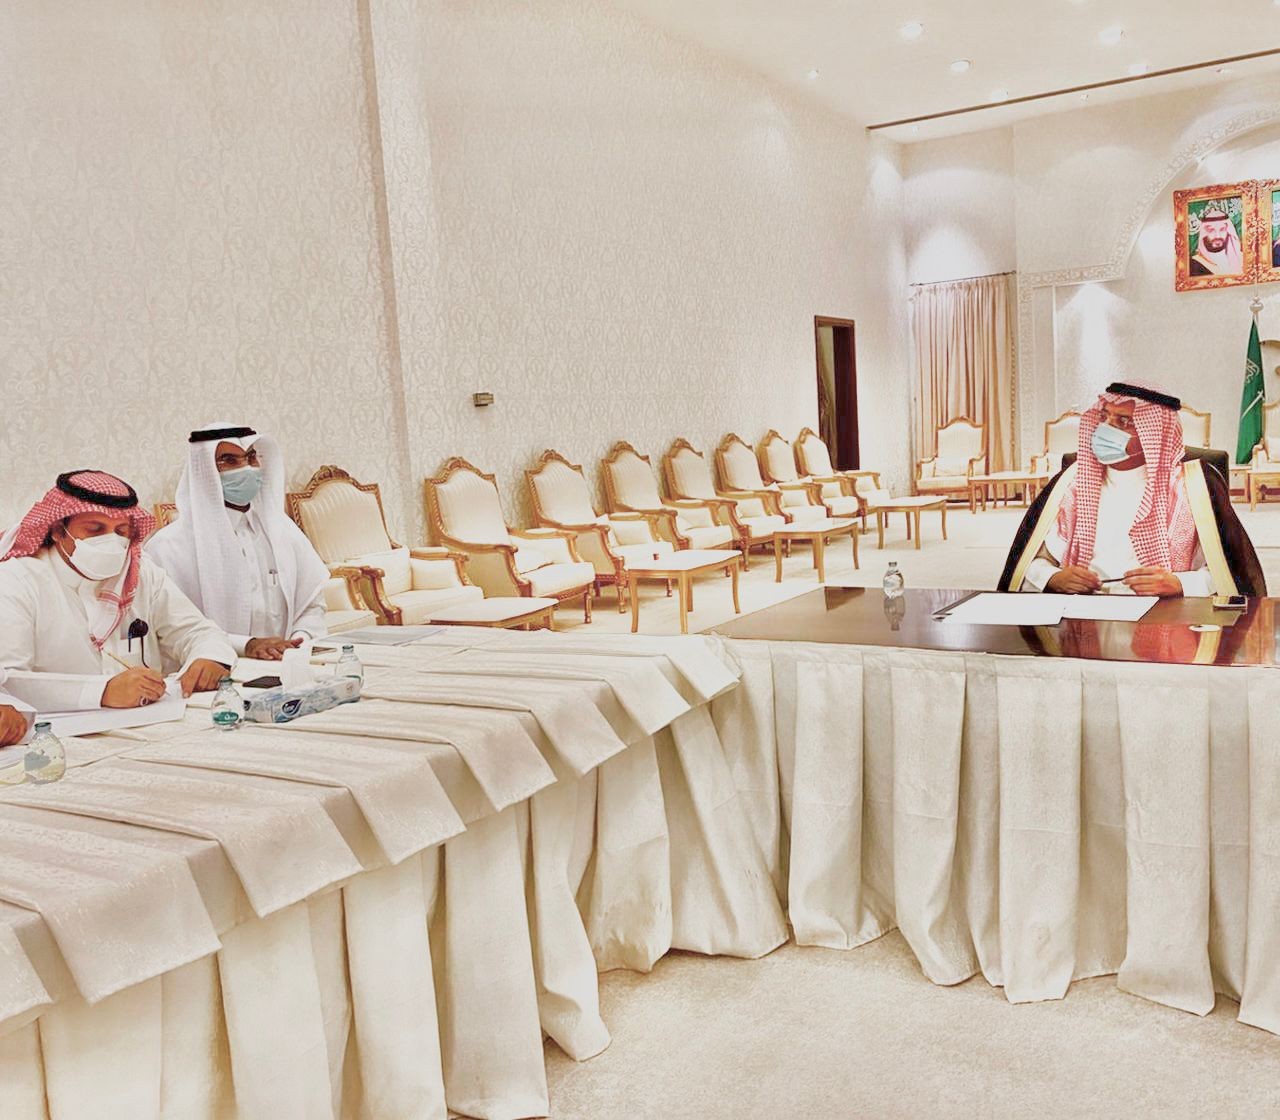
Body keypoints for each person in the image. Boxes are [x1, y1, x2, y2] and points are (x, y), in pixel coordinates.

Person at [0, 470, 236, 713]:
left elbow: (198, 631)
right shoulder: (17, 581)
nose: (111, 541)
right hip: (61, 728)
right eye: (95, 529)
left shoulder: (140, 571)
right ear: (59, 530)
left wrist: (209, 656)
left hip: (151, 720)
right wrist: (101, 692)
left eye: (121, 531)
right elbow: (8, 682)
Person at [999, 383, 1264, 597]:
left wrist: (1179, 584)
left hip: (1166, 616)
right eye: (1104, 417)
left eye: (1123, 422)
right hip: (1083, 613)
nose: (1106, 428)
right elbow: (1029, 563)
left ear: (1154, 433)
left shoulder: (1193, 487)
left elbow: (1227, 573)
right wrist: (1053, 577)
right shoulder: (1071, 482)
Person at [146, 423, 330, 660]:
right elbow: (173, 627)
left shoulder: (283, 531)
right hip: (215, 668)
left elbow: (312, 603)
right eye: (230, 461)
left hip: (288, 662)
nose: (246, 469)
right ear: (204, 470)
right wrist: (247, 645)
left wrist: (299, 640)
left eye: (251, 458)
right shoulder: (169, 547)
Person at [1189, 205, 1244, 276]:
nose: (1218, 236)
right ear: (1204, 233)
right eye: (1211, 230)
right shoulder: (1195, 263)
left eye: (1222, 229)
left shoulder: (1243, 259)